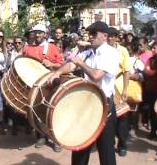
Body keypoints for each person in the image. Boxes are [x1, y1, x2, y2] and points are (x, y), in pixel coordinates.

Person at [49, 21, 119, 165]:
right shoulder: (89, 52)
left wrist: (80, 63)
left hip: (104, 106)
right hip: (85, 106)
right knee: (80, 146)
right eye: (89, 34)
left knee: (106, 150)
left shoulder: (111, 53)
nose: (90, 37)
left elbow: (96, 76)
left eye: (94, 34)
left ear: (105, 36)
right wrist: (57, 72)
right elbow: (71, 65)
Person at [24, 23, 63, 152]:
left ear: (45, 34)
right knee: (38, 111)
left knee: (53, 112)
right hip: (34, 84)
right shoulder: (28, 48)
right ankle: (41, 136)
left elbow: (62, 65)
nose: (37, 35)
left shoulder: (52, 47)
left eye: (40, 32)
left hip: (50, 84)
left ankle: (56, 139)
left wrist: (51, 64)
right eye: (35, 32)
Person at [108, 27, 130, 157]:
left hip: (119, 86)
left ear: (116, 37)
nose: (110, 38)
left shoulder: (123, 50)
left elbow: (127, 70)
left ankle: (122, 144)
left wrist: (125, 89)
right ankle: (109, 143)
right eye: (108, 36)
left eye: (112, 36)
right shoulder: (102, 50)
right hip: (106, 87)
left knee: (122, 117)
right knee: (108, 117)